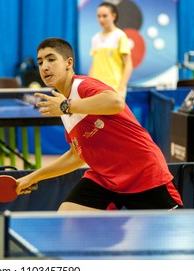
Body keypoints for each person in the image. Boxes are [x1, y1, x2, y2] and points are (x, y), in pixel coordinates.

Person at [15, 38, 183, 211]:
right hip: (106, 178)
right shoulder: (64, 105)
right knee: (68, 215)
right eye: (40, 62)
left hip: (143, 172)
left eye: (51, 59)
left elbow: (115, 102)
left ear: (68, 63)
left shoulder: (83, 86)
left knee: (166, 235)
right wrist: (34, 177)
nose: (44, 67)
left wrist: (66, 106)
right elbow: (76, 155)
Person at [89, 2, 133, 99]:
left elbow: (128, 65)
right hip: (96, 88)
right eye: (99, 16)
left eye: (105, 16)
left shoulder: (120, 36)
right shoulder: (95, 38)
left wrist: (122, 87)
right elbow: (94, 65)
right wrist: (90, 84)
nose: (101, 19)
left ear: (113, 16)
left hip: (114, 89)